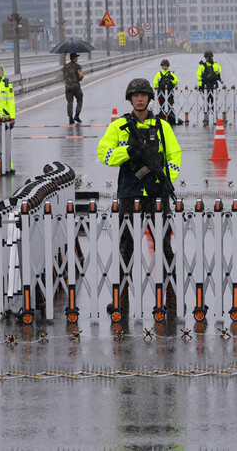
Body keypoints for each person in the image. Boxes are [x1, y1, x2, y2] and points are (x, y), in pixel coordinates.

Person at [98, 78, 182, 316]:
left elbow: (174, 157)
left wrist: (165, 181)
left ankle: (172, 300)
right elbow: (104, 153)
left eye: (143, 94)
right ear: (130, 99)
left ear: (149, 98)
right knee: (126, 247)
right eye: (135, 95)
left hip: (157, 194)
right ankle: (120, 300)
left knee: (164, 247)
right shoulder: (119, 126)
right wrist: (127, 151)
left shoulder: (162, 127)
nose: (139, 98)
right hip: (129, 192)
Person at [152, 58, 179, 124]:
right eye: (164, 65)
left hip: (169, 92)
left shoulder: (171, 74)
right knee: (162, 106)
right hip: (161, 92)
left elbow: (176, 81)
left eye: (166, 66)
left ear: (168, 66)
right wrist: (154, 91)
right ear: (161, 66)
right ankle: (162, 119)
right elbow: (155, 83)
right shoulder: (158, 74)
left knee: (170, 105)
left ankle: (171, 118)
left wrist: (172, 79)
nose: (165, 67)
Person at [61, 53, 84, 124]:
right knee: (79, 99)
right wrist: (79, 79)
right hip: (76, 86)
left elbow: (63, 77)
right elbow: (81, 75)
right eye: (76, 57)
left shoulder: (65, 67)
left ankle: (70, 117)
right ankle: (77, 115)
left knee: (70, 102)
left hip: (68, 86)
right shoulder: (77, 66)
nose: (77, 58)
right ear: (74, 58)